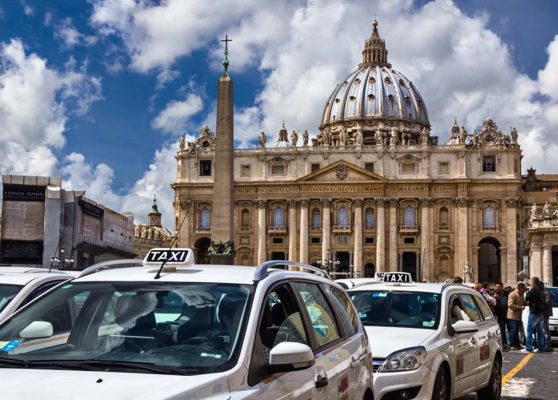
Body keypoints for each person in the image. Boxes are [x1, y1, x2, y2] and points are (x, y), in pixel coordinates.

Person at [524, 277, 546, 352]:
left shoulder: (534, 290)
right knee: (540, 331)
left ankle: (529, 347)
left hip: (534, 312)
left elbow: (527, 297)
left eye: (531, 282)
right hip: (541, 313)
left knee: (529, 330)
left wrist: (529, 291)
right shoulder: (542, 290)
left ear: (533, 282)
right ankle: (541, 347)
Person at [507, 282, 526, 350]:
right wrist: (520, 307)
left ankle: (517, 345)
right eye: (523, 289)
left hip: (518, 316)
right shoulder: (513, 294)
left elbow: (524, 302)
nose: (524, 290)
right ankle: (511, 344)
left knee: (516, 331)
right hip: (512, 316)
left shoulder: (522, 294)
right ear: (520, 288)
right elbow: (510, 305)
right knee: (512, 331)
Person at [493, 282, 509, 349]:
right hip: (499, 314)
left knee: (510, 329)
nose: (497, 288)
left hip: (507, 313)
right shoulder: (495, 294)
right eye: (496, 286)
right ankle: (504, 343)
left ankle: (510, 342)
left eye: (499, 286)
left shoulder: (507, 293)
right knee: (501, 330)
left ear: (502, 287)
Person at [543, 284, 555, 351]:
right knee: (545, 330)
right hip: (546, 314)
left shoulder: (546, 293)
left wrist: (540, 306)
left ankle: (547, 345)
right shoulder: (548, 293)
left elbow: (546, 303)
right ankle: (546, 345)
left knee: (545, 330)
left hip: (544, 314)